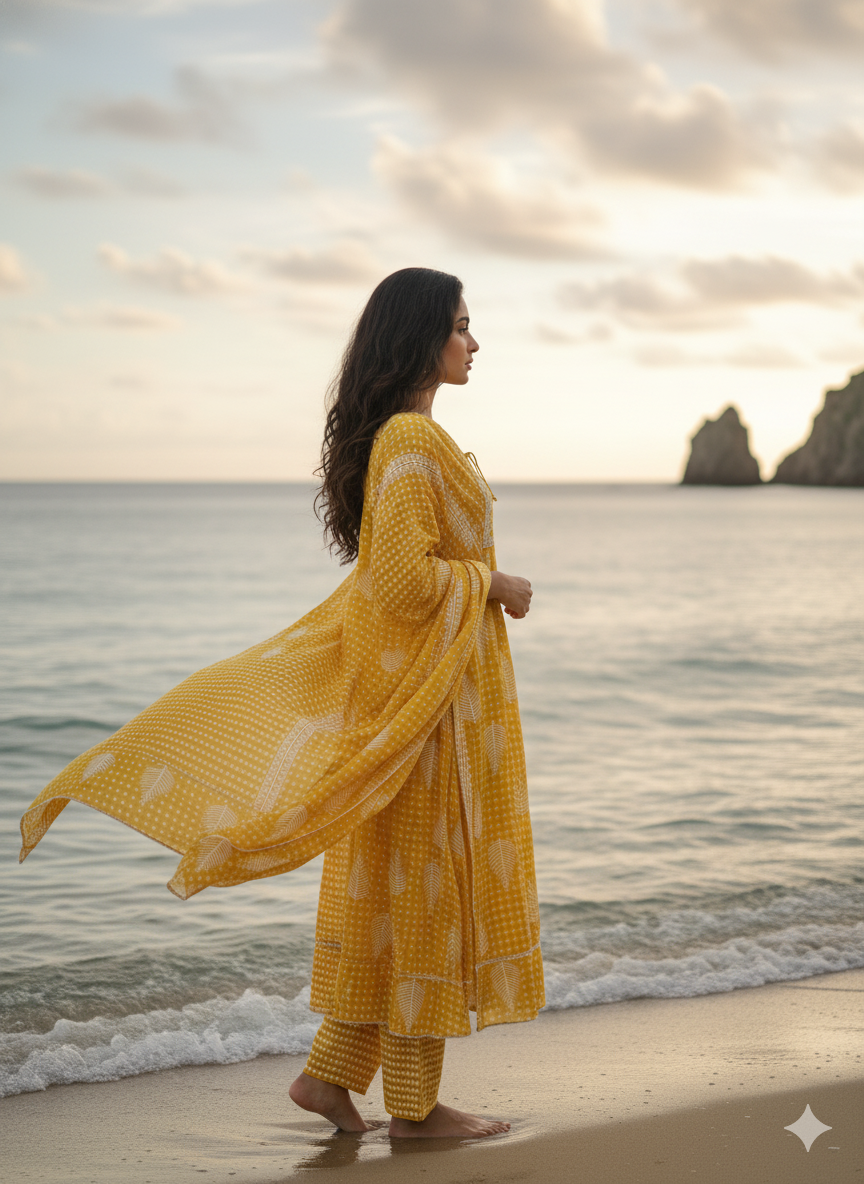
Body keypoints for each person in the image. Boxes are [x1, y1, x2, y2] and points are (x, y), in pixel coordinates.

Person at [19, 266, 544, 1139]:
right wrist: (491, 582)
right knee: (423, 902)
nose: (473, 342)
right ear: (420, 338)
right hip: (421, 714)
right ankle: (415, 1110)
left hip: (414, 703)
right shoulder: (411, 444)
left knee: (392, 897)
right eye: (459, 326)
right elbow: (402, 582)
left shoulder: (399, 442)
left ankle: (329, 1080)